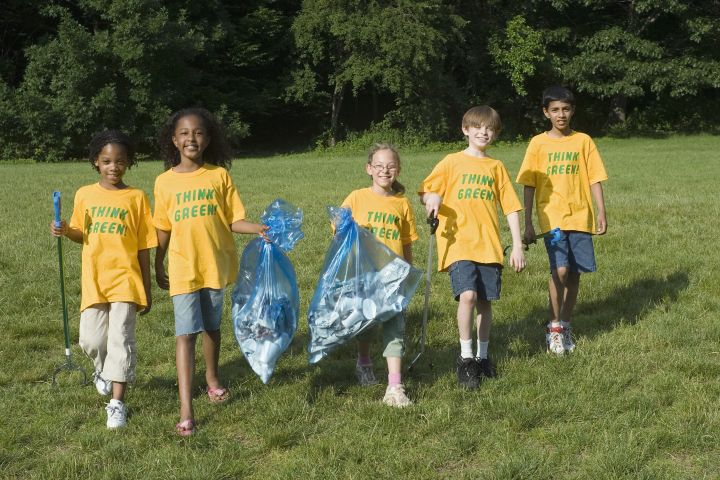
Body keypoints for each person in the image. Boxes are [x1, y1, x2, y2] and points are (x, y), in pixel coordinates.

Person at [153, 107, 267, 436]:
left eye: (198, 132)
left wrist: (259, 227)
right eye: (185, 133)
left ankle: (213, 379)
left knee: (212, 328)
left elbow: (233, 220)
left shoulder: (219, 176)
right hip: (183, 268)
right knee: (185, 334)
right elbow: (163, 228)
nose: (192, 138)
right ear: (174, 140)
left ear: (208, 138)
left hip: (214, 266)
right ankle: (186, 407)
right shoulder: (164, 182)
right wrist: (157, 263)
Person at [49, 130, 156, 429]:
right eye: (107, 161)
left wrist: (146, 288)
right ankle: (102, 370)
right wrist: (65, 229)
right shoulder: (85, 194)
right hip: (95, 280)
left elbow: (144, 245)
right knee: (92, 340)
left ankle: (117, 403)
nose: (114, 167)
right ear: (96, 161)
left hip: (127, 279)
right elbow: (81, 233)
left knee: (120, 339)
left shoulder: (136, 198)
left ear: (129, 163)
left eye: (120, 161)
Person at [419, 106, 525, 390]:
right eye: (477, 127)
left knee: (484, 303)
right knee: (467, 296)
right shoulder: (451, 162)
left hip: (489, 245)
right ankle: (466, 359)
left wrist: (516, 246)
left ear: (495, 133)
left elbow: (511, 208)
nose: (484, 132)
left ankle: (483, 357)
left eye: (489, 128)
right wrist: (431, 200)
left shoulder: (496, 167)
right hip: (458, 243)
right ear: (465, 129)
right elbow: (428, 191)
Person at [516, 86, 608, 355]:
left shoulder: (583, 141)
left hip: (580, 216)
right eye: (555, 110)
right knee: (560, 270)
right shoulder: (538, 143)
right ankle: (554, 327)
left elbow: (595, 178)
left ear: (572, 111)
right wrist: (529, 222)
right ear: (546, 113)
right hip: (551, 217)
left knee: (575, 273)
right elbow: (529, 184)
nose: (561, 114)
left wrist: (601, 212)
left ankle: (566, 324)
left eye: (565, 109)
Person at [340, 143, 419, 407]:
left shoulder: (402, 203)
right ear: (369, 169)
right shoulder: (356, 197)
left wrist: (408, 273)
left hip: (394, 276)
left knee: (395, 328)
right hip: (365, 274)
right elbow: (340, 231)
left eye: (391, 166)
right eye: (379, 166)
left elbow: (407, 242)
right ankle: (363, 362)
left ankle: (394, 386)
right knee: (367, 325)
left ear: (398, 169)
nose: (385, 170)